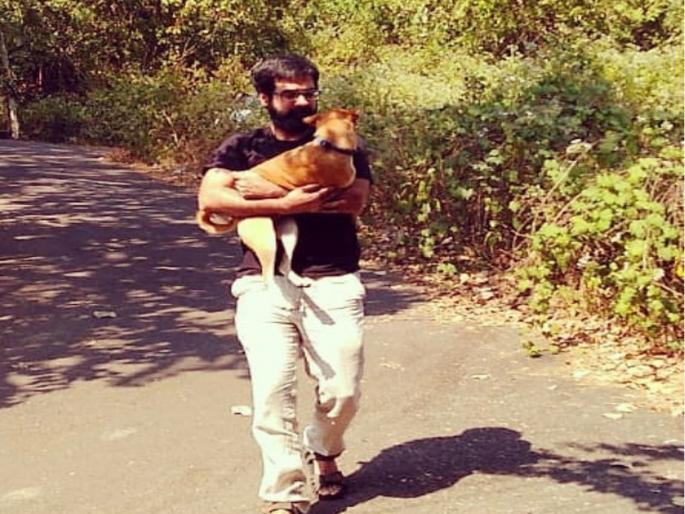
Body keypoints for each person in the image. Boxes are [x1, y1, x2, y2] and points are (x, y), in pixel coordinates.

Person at [197, 54, 373, 514]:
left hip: (333, 278)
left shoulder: (340, 138)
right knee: (272, 393)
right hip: (262, 281)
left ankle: (323, 449)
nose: (301, 101)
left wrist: (269, 195)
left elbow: (352, 199)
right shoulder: (242, 147)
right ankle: (284, 494)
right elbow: (212, 197)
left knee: (343, 391)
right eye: (289, 94)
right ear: (265, 98)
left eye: (308, 93)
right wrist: (283, 204)